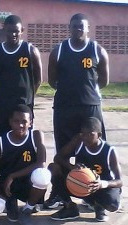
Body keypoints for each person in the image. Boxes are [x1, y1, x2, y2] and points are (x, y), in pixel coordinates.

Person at [44, 13, 109, 209]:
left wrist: (85, 93)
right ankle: (60, 194)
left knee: (94, 151)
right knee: (63, 152)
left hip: (90, 109)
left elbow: (103, 81)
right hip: (64, 109)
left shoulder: (98, 51)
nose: (78, 30)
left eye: (82, 27)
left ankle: (95, 196)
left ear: (88, 28)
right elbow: (52, 80)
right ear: (69, 28)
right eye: (75, 26)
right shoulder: (59, 51)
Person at [48, 117, 122, 221]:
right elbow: (58, 158)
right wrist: (72, 167)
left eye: (90, 134)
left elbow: (119, 181)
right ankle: (70, 207)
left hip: (101, 188)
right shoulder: (78, 141)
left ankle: (98, 206)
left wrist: (102, 184)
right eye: (83, 133)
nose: (85, 137)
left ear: (99, 135)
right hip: (81, 185)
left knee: (112, 205)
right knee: (53, 168)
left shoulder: (109, 151)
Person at [0, 104, 51, 222]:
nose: (20, 125)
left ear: (31, 123)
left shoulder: (36, 135)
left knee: (43, 175)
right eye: (16, 121)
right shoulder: (1, 142)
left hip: (28, 182)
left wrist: (12, 176)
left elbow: (41, 163)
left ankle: (29, 207)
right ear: (10, 122)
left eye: (24, 121)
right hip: (7, 185)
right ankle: (10, 202)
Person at [0, 15, 42, 141]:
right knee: (2, 139)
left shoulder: (30, 50)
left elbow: (38, 79)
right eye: (10, 31)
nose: (13, 34)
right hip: (2, 105)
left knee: (24, 139)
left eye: (16, 31)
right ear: (4, 30)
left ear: (22, 31)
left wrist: (29, 95)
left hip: (24, 104)